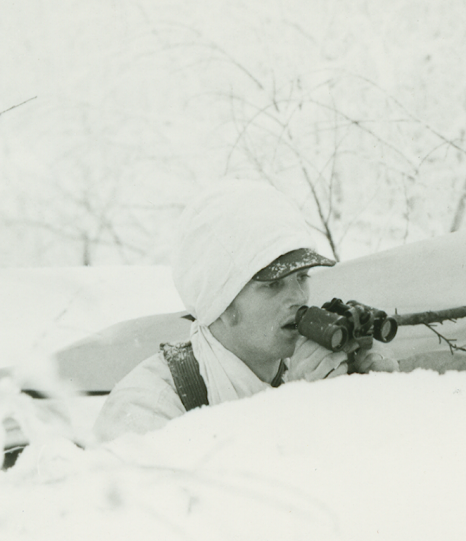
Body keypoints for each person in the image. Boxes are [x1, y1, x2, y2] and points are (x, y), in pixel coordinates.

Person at [93, 179, 396, 442]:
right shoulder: (148, 406)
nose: (299, 298)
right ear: (222, 305)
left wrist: (368, 405)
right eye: (273, 285)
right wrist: (296, 407)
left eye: (302, 278)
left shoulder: (309, 370)